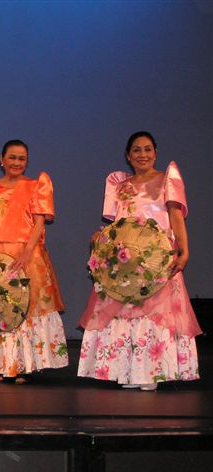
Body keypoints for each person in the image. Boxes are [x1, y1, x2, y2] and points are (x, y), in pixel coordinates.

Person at [77, 131, 200, 390]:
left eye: (147, 149)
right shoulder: (120, 185)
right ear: (128, 155)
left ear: (155, 153)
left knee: (154, 313)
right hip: (125, 261)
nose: (142, 154)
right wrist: (102, 238)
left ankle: (151, 372)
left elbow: (176, 217)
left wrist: (184, 250)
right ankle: (127, 371)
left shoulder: (166, 180)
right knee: (123, 314)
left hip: (157, 258)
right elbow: (118, 224)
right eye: (136, 150)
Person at [0, 139, 68, 382]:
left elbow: (39, 222)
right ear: (1, 160)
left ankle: (23, 365)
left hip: (25, 254)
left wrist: (27, 252)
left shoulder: (36, 185)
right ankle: (0, 364)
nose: (16, 162)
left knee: (25, 306)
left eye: (22, 158)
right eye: (12, 157)